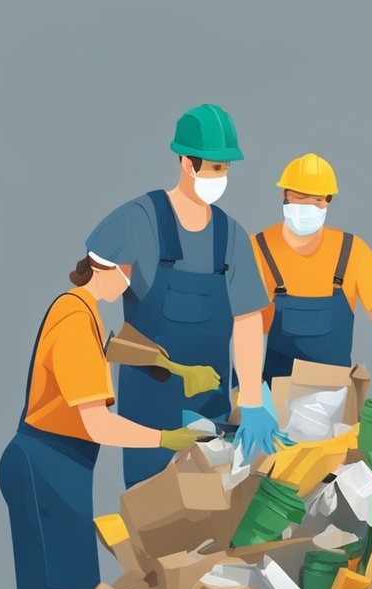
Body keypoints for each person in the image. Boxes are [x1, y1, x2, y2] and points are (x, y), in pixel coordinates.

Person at [0, 256, 204, 589]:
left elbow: (110, 347)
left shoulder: (85, 310)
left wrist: (169, 365)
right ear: (111, 268)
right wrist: (166, 437)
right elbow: (97, 423)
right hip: (44, 463)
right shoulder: (72, 318)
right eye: (136, 276)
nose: (139, 289)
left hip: (63, 467)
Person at [85, 104, 278, 488]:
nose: (220, 177)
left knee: (213, 521)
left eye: (226, 169)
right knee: (153, 522)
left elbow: (247, 320)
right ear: (187, 163)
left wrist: (254, 401)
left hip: (212, 412)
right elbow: (91, 281)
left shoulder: (231, 235)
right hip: (149, 416)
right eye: (214, 167)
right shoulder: (140, 220)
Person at [251, 153, 372, 381]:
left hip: (337, 397)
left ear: (328, 201)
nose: (307, 206)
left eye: (317, 200)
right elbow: (244, 324)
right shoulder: (259, 248)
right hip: (275, 395)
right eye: (300, 197)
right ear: (285, 196)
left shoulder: (352, 251)